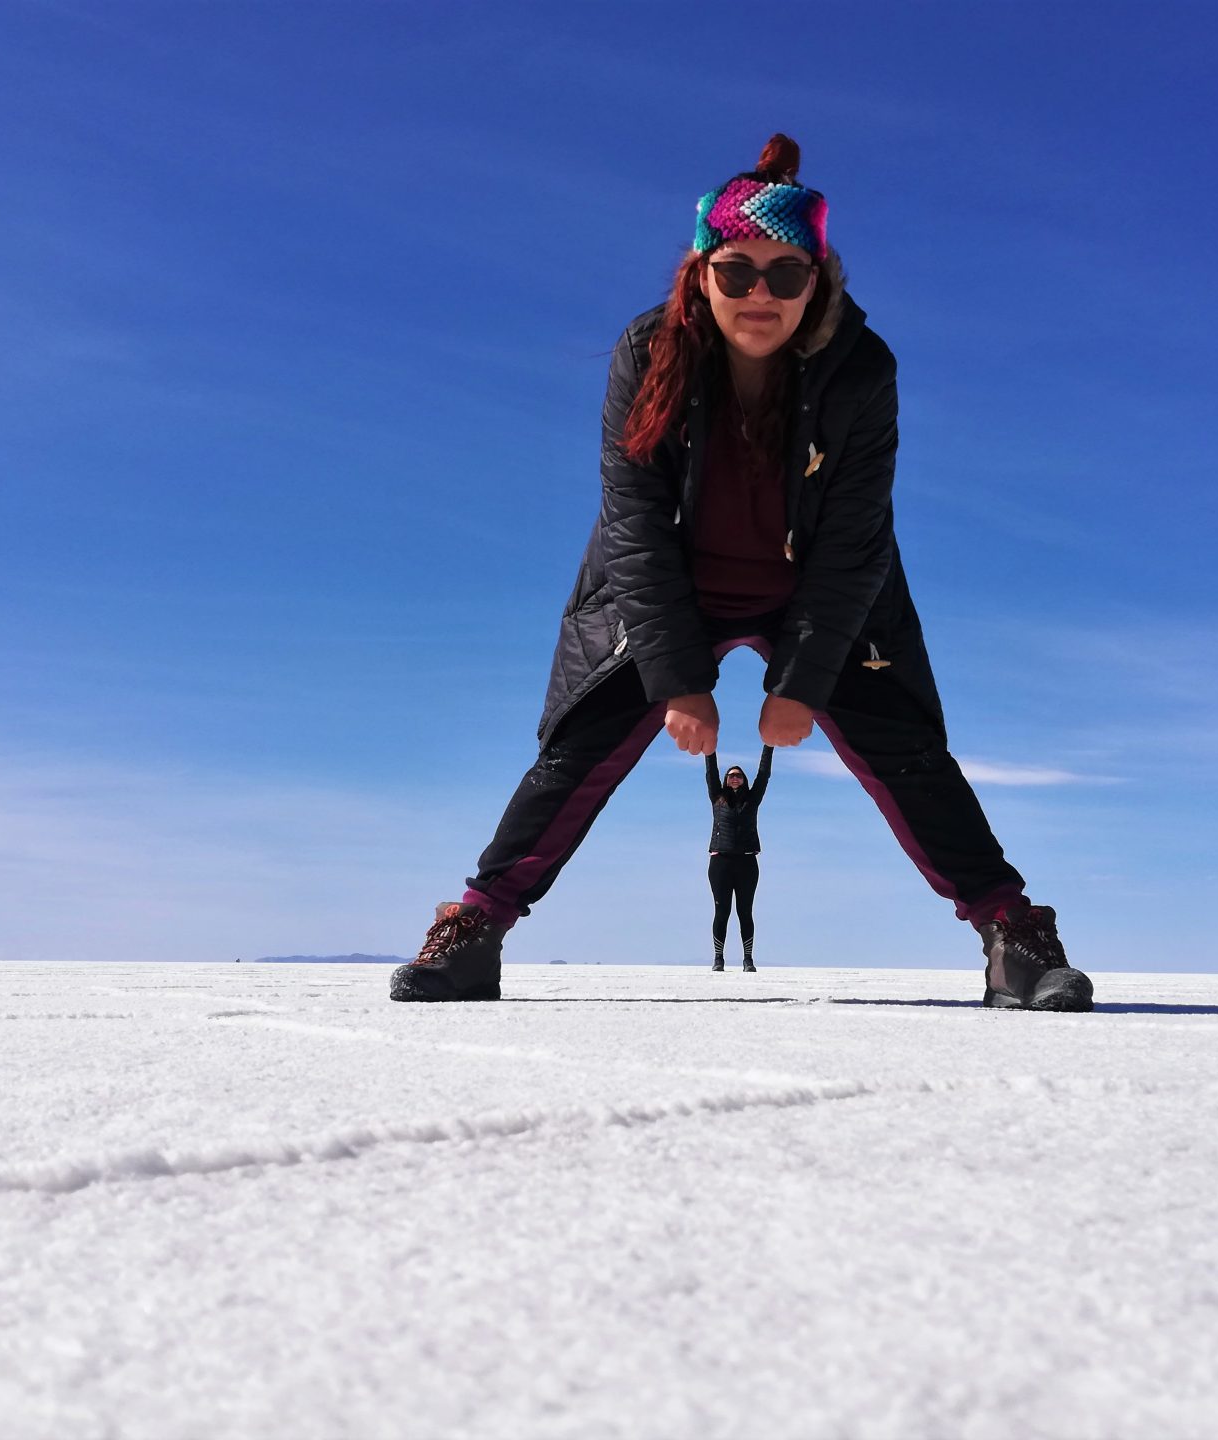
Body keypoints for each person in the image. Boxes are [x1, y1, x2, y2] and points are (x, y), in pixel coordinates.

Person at [391, 134, 1092, 1011]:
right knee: (577, 751)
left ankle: (1011, 934)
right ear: (700, 273)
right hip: (667, 587)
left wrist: (799, 682)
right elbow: (632, 524)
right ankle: (477, 927)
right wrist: (680, 679)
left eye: (786, 274)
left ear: (818, 278)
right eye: (736, 271)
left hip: (824, 591)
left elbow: (855, 539)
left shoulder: (862, 370)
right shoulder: (647, 354)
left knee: (909, 755)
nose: (760, 293)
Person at [705, 746, 772, 971]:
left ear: (743, 779)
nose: (735, 778)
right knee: (722, 911)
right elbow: (710, 772)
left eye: (739, 775)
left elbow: (764, 775)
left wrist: (768, 746)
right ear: (726, 780)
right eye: (731, 775)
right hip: (720, 862)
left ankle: (748, 960)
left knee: (745, 912)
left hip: (746, 862)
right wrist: (709, 748)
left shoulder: (752, 800)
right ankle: (718, 959)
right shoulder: (717, 798)